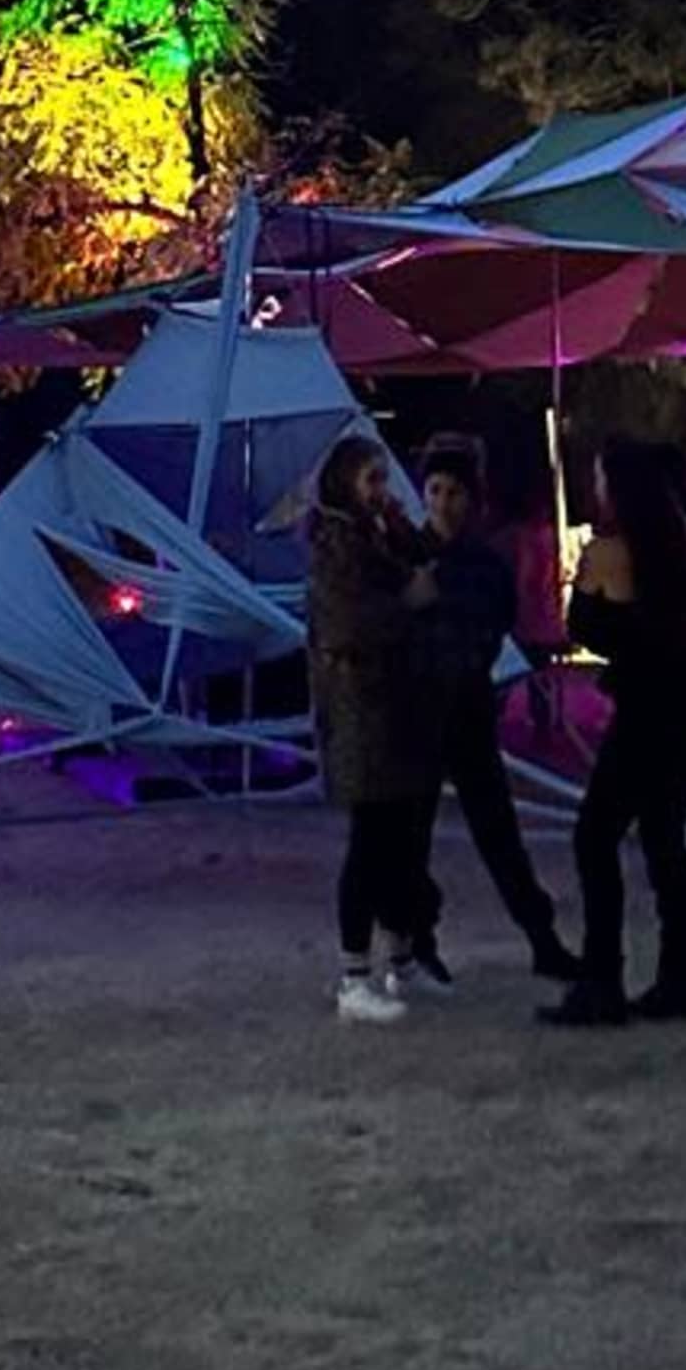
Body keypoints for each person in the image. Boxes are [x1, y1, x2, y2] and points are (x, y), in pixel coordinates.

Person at [545, 443, 686, 1032]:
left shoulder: (609, 552)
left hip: (647, 705)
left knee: (596, 837)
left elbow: (588, 628)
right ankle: (680, 974)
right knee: (664, 836)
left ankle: (602, 979)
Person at [412, 436, 578, 989]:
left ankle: (541, 938)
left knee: (498, 832)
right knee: (411, 837)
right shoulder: (409, 555)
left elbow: (493, 622)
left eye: (453, 492)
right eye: (435, 490)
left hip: (466, 711)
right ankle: (418, 942)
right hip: (423, 715)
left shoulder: (482, 563)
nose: (442, 503)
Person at [306, 435, 442, 1028]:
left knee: (400, 840)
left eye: (384, 479)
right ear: (344, 483)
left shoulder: (373, 534)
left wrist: (411, 524)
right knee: (372, 841)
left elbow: (417, 559)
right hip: (362, 711)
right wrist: (408, 604)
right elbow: (347, 622)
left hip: (392, 705)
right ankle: (354, 974)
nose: (380, 492)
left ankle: (401, 960)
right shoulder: (338, 545)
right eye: (371, 481)